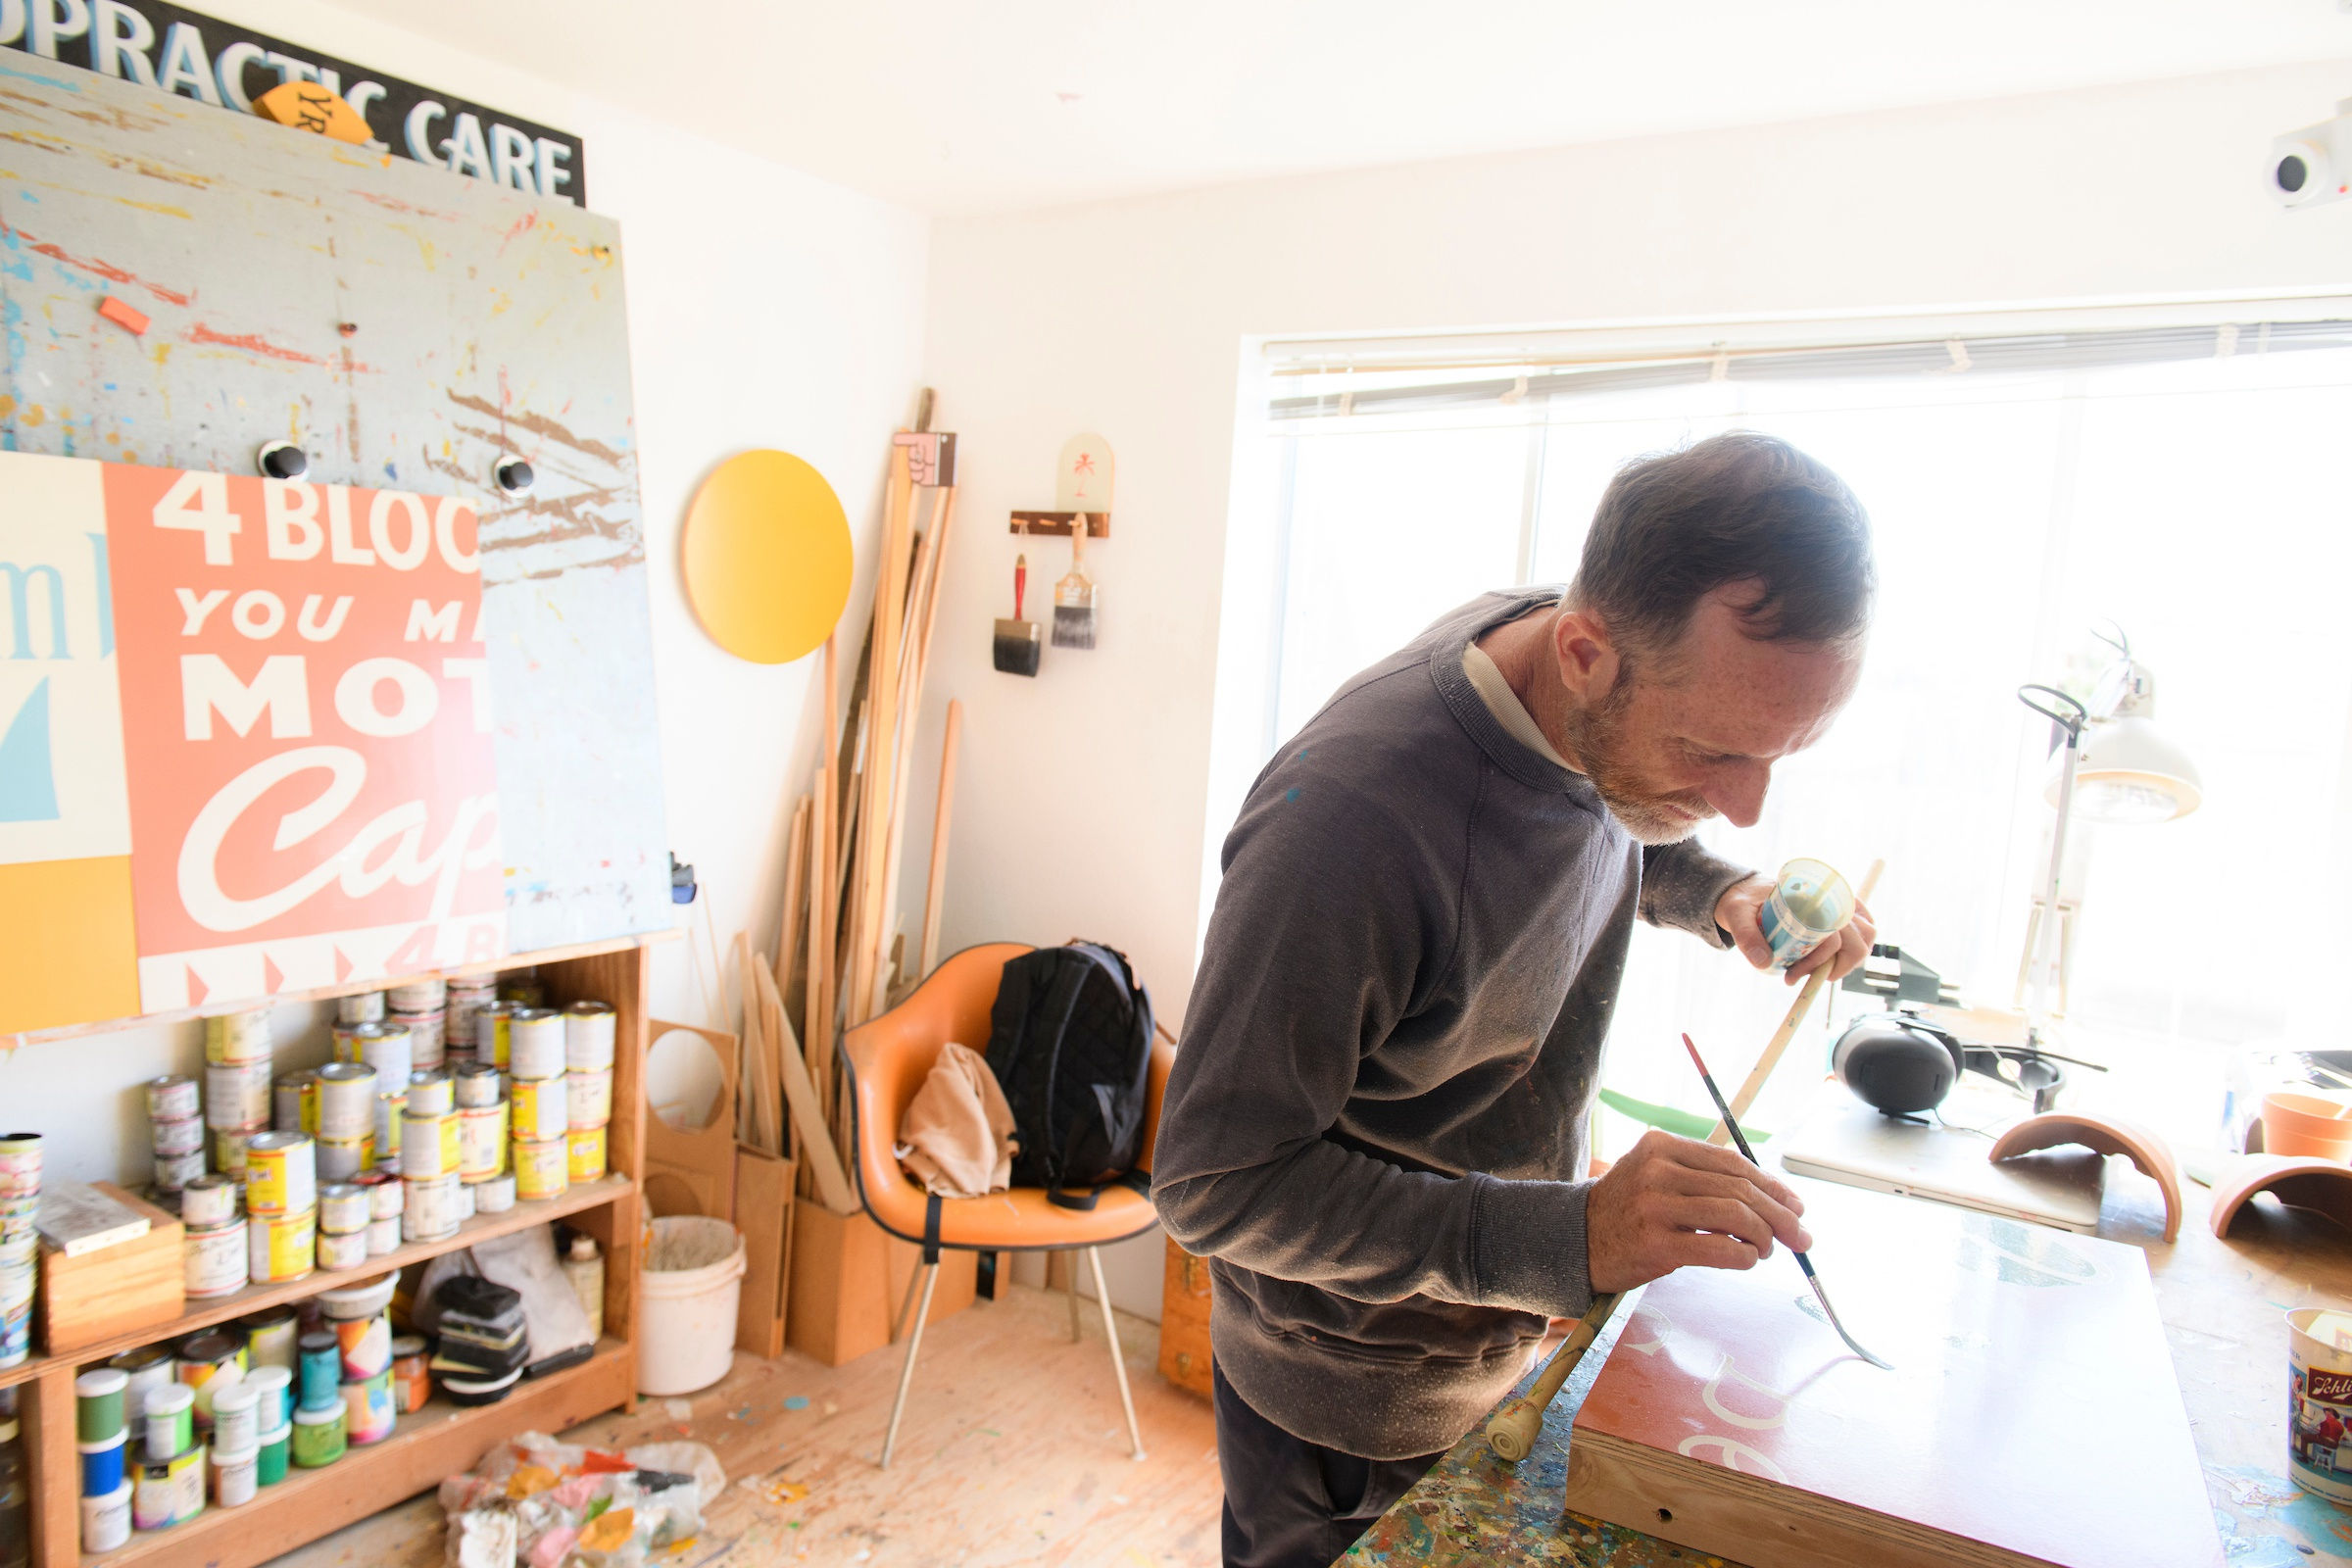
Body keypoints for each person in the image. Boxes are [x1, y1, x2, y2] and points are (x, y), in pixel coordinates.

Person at [1152, 431, 1880, 1568]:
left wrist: (1720, 891)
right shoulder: (1348, 824)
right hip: (1342, 1407)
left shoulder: (1584, 661)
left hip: (1498, 1345)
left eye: (1779, 758)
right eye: (1714, 753)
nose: (1743, 805)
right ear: (1586, 652)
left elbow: (1583, 813)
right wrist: (1568, 1233)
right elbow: (1213, 1181)